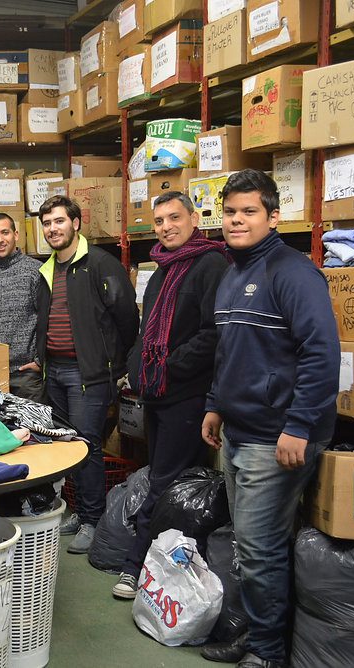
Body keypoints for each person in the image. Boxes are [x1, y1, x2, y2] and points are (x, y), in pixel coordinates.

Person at [200, 169, 340, 668]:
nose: (237, 221)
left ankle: (267, 653)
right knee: (250, 546)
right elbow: (229, 351)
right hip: (240, 431)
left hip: (275, 436)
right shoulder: (233, 273)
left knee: (260, 551)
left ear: (273, 216)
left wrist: (299, 425)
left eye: (249, 212)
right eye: (230, 212)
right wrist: (216, 403)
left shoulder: (293, 272)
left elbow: (322, 355)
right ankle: (259, 634)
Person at [111, 192, 228, 599]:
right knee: (175, 484)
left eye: (174, 218)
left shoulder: (211, 264)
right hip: (156, 394)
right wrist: (135, 365)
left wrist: (168, 366)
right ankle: (171, 569)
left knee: (162, 481)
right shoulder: (161, 269)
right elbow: (147, 330)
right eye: (159, 221)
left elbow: (213, 334)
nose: (166, 227)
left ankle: (133, 566)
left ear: (194, 218)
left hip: (188, 396)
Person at [35, 195, 138, 555]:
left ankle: (93, 520)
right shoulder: (47, 270)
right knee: (65, 444)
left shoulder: (100, 264)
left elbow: (128, 321)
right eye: (47, 223)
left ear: (76, 223)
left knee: (86, 446)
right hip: (55, 371)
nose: (53, 229)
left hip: (89, 374)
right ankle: (79, 512)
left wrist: (114, 365)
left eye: (59, 221)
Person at [0, 212, 43, 401]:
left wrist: (40, 360)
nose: (0, 240)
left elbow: (48, 318)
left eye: (5, 233)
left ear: (16, 235)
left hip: (26, 373)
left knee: (31, 429)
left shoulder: (34, 270)